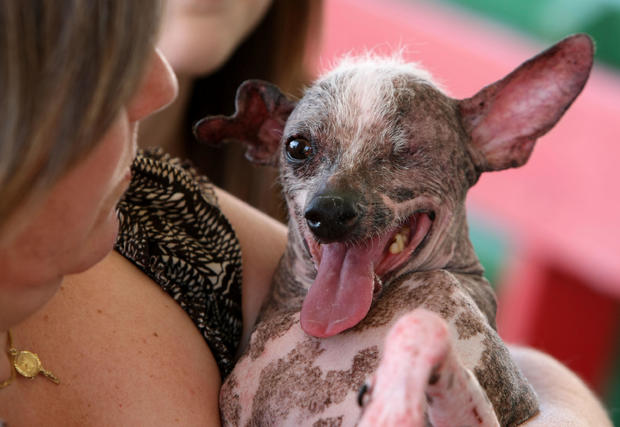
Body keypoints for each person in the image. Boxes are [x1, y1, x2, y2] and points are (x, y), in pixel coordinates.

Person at [0, 1, 612, 426]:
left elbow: (503, 355)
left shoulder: (166, 214)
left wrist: (560, 414)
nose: (155, 82)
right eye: (97, 52)